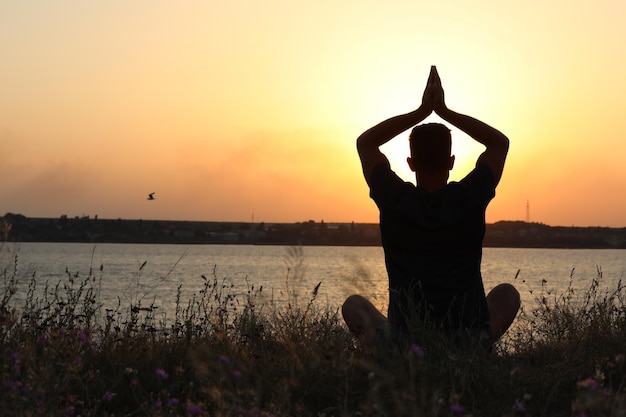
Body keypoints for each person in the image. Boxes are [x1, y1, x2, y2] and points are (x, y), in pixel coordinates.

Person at [342, 66, 520, 353]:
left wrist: (421, 111)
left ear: (410, 163)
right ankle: (470, 353)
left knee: (354, 305)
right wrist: (444, 111)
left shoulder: (395, 198)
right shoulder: (470, 197)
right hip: (466, 342)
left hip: (405, 344)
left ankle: (406, 352)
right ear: (451, 161)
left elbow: (366, 143)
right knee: (507, 294)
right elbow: (499, 143)